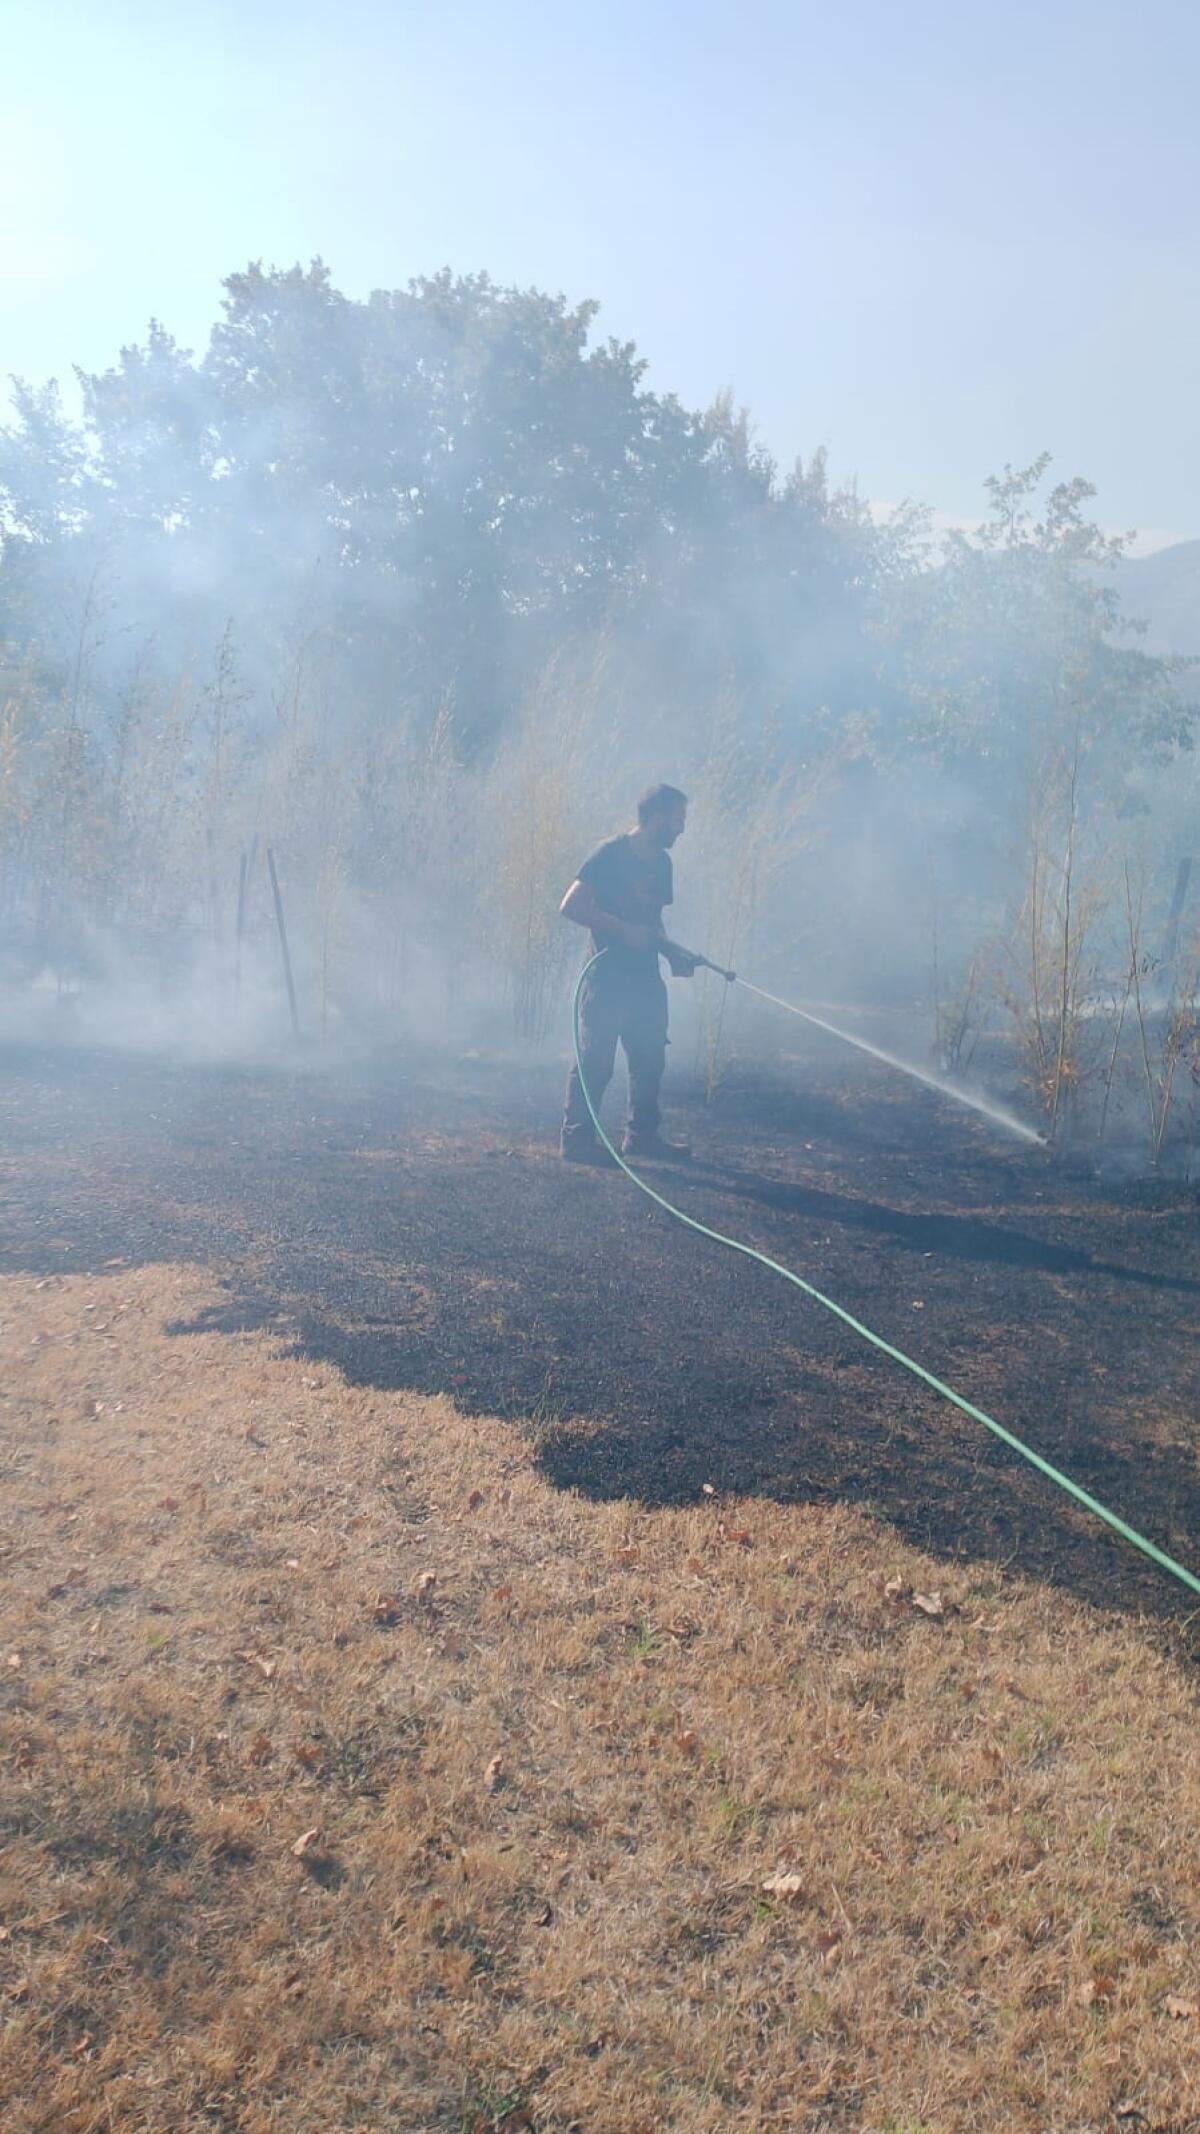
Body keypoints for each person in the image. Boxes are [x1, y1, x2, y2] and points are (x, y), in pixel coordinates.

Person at [559, 783, 697, 1164]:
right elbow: (570, 906)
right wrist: (620, 929)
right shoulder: (610, 854)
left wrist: (672, 955)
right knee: (596, 1060)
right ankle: (577, 1141)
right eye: (678, 819)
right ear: (657, 817)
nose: (682, 829)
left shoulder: (662, 863)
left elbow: (654, 920)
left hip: (645, 979)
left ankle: (642, 1136)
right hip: (605, 978)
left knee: (650, 1058)